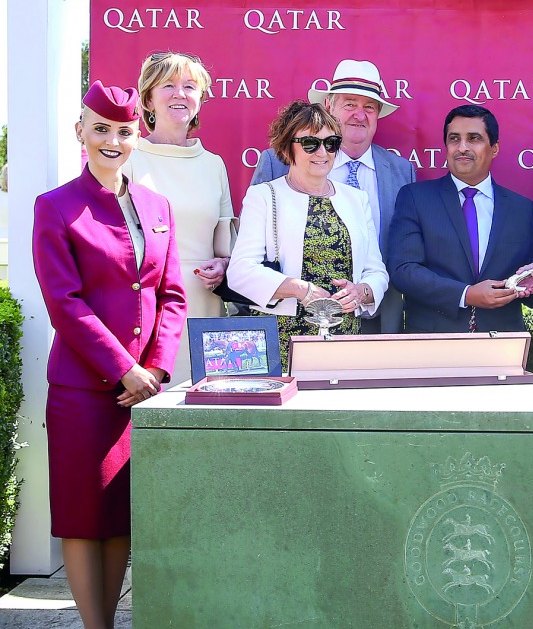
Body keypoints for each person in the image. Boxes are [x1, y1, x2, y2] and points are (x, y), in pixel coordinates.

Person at [32, 81, 186, 629]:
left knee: (121, 513)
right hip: (84, 386)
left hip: (142, 387)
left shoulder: (157, 206)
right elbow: (63, 302)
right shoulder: (56, 205)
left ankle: (107, 628)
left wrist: (157, 370)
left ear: (137, 135)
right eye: (101, 129)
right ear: (81, 132)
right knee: (82, 514)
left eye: (123, 130)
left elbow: (170, 295)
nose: (113, 140)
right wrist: (124, 368)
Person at [250, 59, 414, 333]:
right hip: (290, 320)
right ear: (329, 106)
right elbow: (251, 251)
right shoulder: (277, 163)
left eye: (369, 107)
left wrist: (365, 292)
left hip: (376, 319)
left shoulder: (401, 171)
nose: (359, 115)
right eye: (349, 104)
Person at [228, 101, 389, 370]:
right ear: (287, 147)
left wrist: (361, 292)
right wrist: (301, 290)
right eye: (310, 143)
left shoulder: (356, 199)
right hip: (282, 338)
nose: (322, 152)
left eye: (331, 143)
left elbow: (376, 270)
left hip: (344, 339)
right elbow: (240, 271)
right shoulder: (265, 196)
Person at [388, 105, 533, 332]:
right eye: (454, 139)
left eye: (474, 138)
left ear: (494, 148)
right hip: (432, 343)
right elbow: (403, 270)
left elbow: (525, 284)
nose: (462, 147)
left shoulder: (522, 209)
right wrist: (466, 295)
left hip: (501, 344)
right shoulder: (415, 198)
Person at [126, 51, 234, 385]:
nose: (179, 93)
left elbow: (225, 245)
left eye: (189, 86)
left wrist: (224, 264)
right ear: (148, 98)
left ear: (200, 99)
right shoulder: (129, 159)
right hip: (147, 308)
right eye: (168, 85)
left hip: (205, 305)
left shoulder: (213, 164)